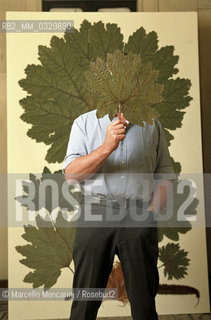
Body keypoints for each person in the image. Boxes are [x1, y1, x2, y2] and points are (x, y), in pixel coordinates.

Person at [63, 109, 176, 320]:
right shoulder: (84, 122)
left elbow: (165, 174)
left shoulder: (152, 124)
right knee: (85, 302)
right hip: (95, 213)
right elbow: (71, 175)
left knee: (144, 303)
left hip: (139, 215)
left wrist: (151, 213)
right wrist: (107, 146)